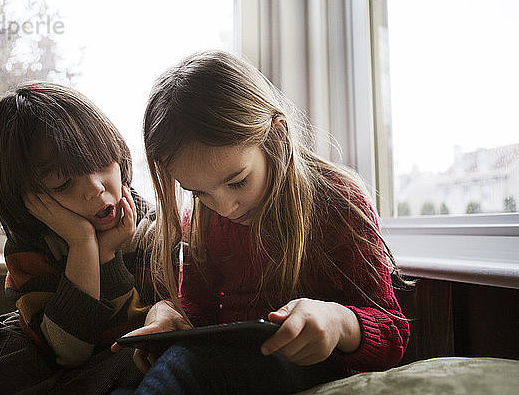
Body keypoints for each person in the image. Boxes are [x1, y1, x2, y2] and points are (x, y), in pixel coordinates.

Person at [110, 50, 411, 395]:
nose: (224, 207)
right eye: (197, 192)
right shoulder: (202, 220)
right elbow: (199, 311)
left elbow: (392, 334)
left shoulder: (339, 202)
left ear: (277, 138)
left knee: (186, 366)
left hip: (314, 370)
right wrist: (167, 318)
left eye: (237, 181)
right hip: (227, 371)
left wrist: (337, 322)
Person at [0, 82, 157, 395]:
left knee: (134, 361)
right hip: (47, 344)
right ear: (29, 200)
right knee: (5, 353)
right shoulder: (29, 248)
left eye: (102, 163)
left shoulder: (148, 226)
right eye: (63, 184)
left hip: (121, 348)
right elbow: (68, 351)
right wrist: (83, 246)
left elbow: (134, 331)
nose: (95, 187)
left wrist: (108, 259)